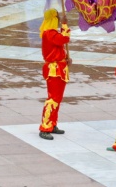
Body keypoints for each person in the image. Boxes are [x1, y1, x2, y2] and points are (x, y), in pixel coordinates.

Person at [38, 9, 70, 141]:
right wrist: (65, 25)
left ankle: (52, 124)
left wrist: (66, 58)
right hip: (54, 70)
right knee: (53, 99)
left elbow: (59, 48)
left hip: (60, 68)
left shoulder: (51, 33)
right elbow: (64, 38)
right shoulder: (49, 34)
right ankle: (45, 126)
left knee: (57, 99)